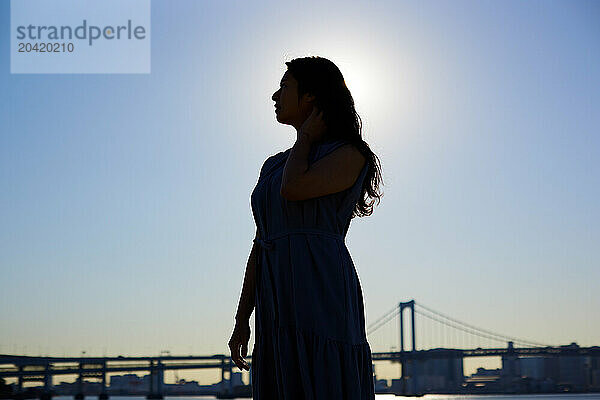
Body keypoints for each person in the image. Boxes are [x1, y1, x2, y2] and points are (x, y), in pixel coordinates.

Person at [229, 56, 383, 399]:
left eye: (284, 87)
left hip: (320, 285)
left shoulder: (350, 153)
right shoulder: (272, 165)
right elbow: (261, 241)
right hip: (275, 294)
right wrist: (242, 319)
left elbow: (294, 188)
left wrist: (306, 140)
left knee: (322, 376)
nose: (274, 96)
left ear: (311, 96)